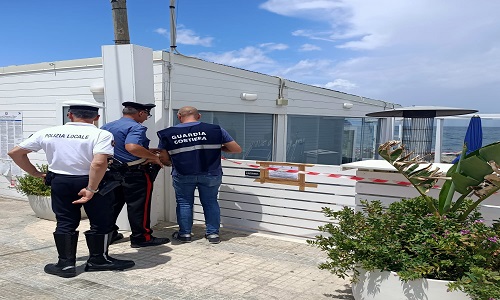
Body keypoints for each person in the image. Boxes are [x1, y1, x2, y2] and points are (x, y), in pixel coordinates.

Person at [8, 100, 135, 278]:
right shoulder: (101, 134)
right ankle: (98, 260)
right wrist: (91, 188)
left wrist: (35, 173)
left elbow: (15, 152)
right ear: (96, 117)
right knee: (101, 221)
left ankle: (65, 265)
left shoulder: (48, 132)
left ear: (70, 115)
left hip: (60, 181)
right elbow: (98, 163)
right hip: (93, 181)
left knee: (65, 221)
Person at [156, 106, 242, 244]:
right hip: (210, 173)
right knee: (210, 202)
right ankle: (213, 234)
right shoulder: (216, 130)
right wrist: (216, 148)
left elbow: (164, 158)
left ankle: (185, 234)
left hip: (183, 173)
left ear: (179, 116)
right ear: (199, 116)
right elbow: (236, 149)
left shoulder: (168, 133)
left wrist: (172, 163)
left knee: (184, 203)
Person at [101, 101, 170, 248]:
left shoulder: (107, 126)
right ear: (141, 113)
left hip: (113, 172)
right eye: (147, 114)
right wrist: (153, 157)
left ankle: (108, 234)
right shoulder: (136, 127)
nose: (146, 118)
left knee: (112, 205)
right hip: (135, 173)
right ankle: (141, 237)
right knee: (139, 206)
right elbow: (132, 147)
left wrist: (146, 150)